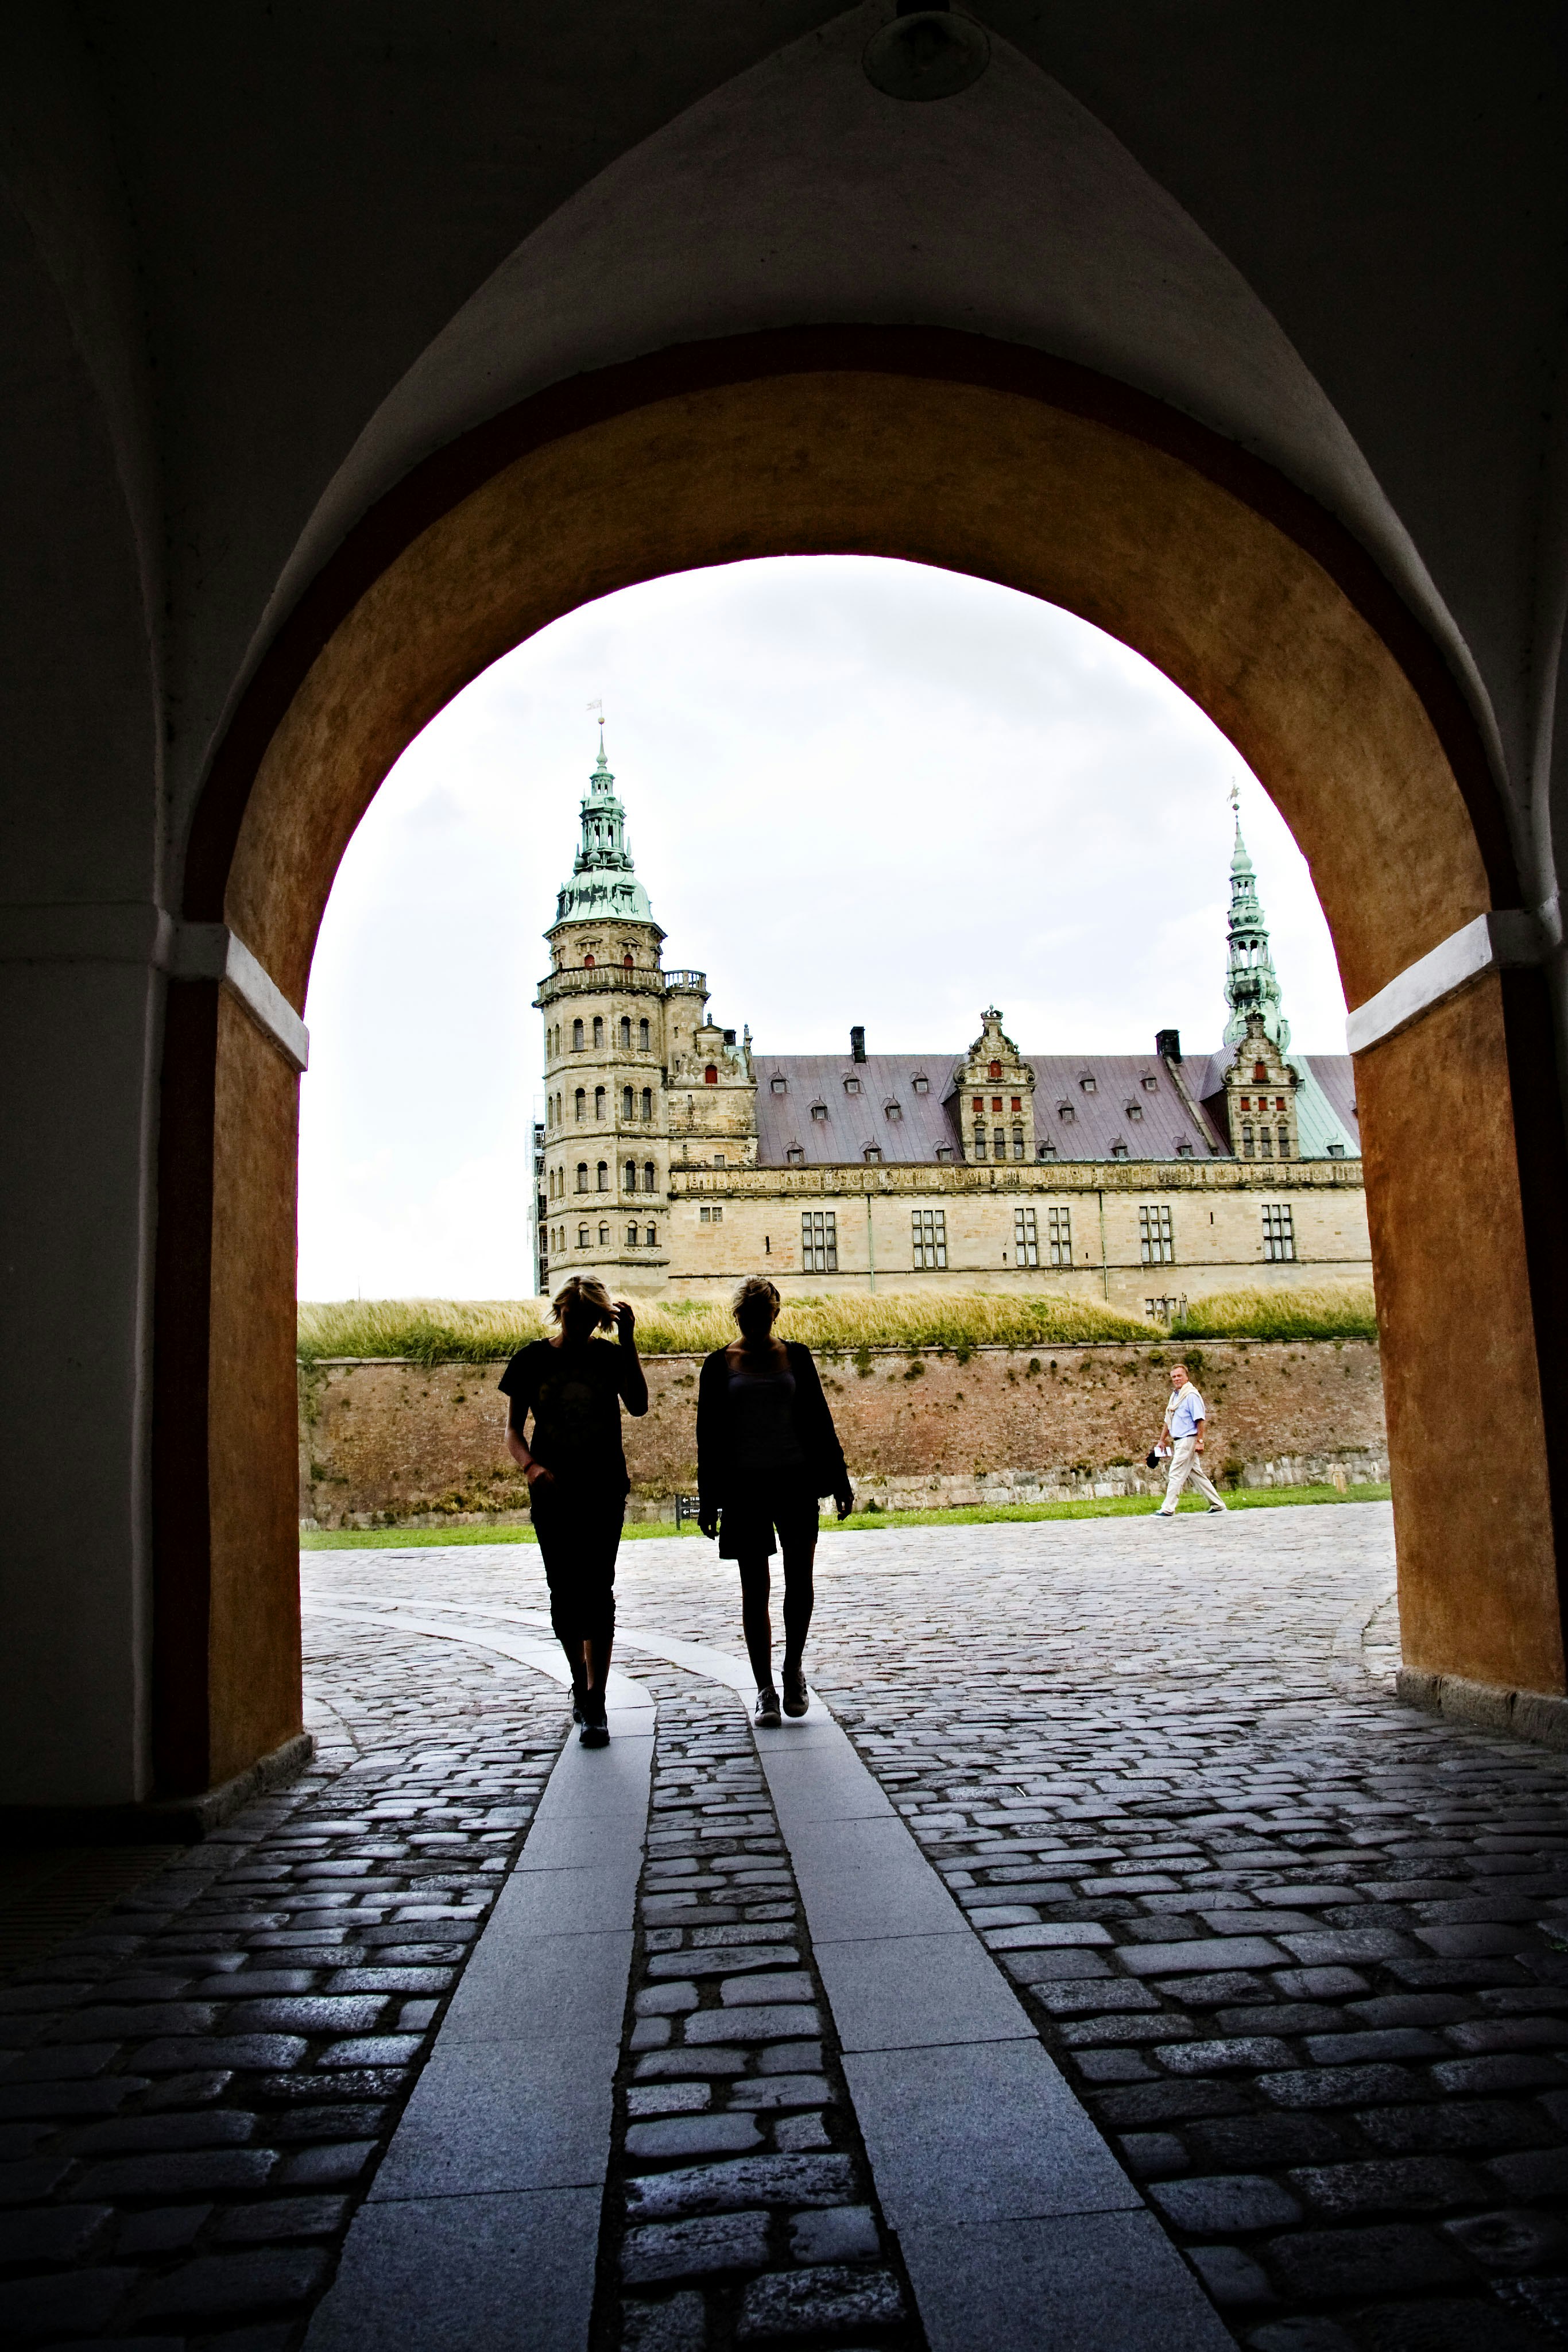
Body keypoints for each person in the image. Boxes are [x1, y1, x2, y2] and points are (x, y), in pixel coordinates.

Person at [696, 1275, 853, 1726]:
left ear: (775, 1314)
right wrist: (710, 1500)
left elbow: (820, 1420)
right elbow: (707, 1437)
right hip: (743, 1487)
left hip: (796, 1481)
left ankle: (792, 1669)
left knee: (799, 1582)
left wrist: (838, 1479)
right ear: (737, 1316)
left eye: (763, 1315)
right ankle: (764, 1687)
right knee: (754, 1591)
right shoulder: (718, 1364)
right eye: (749, 1316)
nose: (757, 1323)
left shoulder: (797, 1357)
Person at [500, 1275, 648, 1745]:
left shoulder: (608, 1357)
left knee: (598, 1590)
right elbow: (512, 1431)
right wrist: (531, 1468)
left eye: (591, 1320)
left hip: (603, 1489)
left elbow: (639, 1405)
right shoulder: (530, 1359)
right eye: (574, 1316)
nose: (582, 1326)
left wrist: (627, 1342)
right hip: (554, 1493)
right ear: (560, 1310)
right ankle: (580, 1684)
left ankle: (596, 1699)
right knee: (564, 1593)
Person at [1152, 1360, 1228, 1517]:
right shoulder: (1175, 1397)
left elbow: (1200, 1420)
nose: (1176, 1379)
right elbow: (1169, 1420)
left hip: (1188, 1439)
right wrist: (1162, 1440)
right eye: (1173, 1376)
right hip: (1178, 1439)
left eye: (1179, 1376)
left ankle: (1168, 1508)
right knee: (1196, 1474)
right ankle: (1218, 1504)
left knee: (1176, 1472)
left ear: (1186, 1377)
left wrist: (1200, 1441)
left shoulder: (1191, 1395)